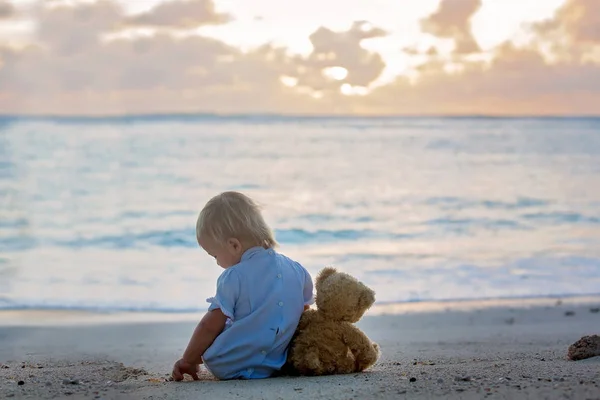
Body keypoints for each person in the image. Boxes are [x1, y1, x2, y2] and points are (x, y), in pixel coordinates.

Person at [172, 191, 314, 381]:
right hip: (275, 364)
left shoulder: (233, 276)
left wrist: (188, 359)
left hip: (228, 364)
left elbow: (209, 325)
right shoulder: (297, 270)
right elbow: (304, 311)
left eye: (215, 256)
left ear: (234, 245)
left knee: (226, 319)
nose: (217, 262)